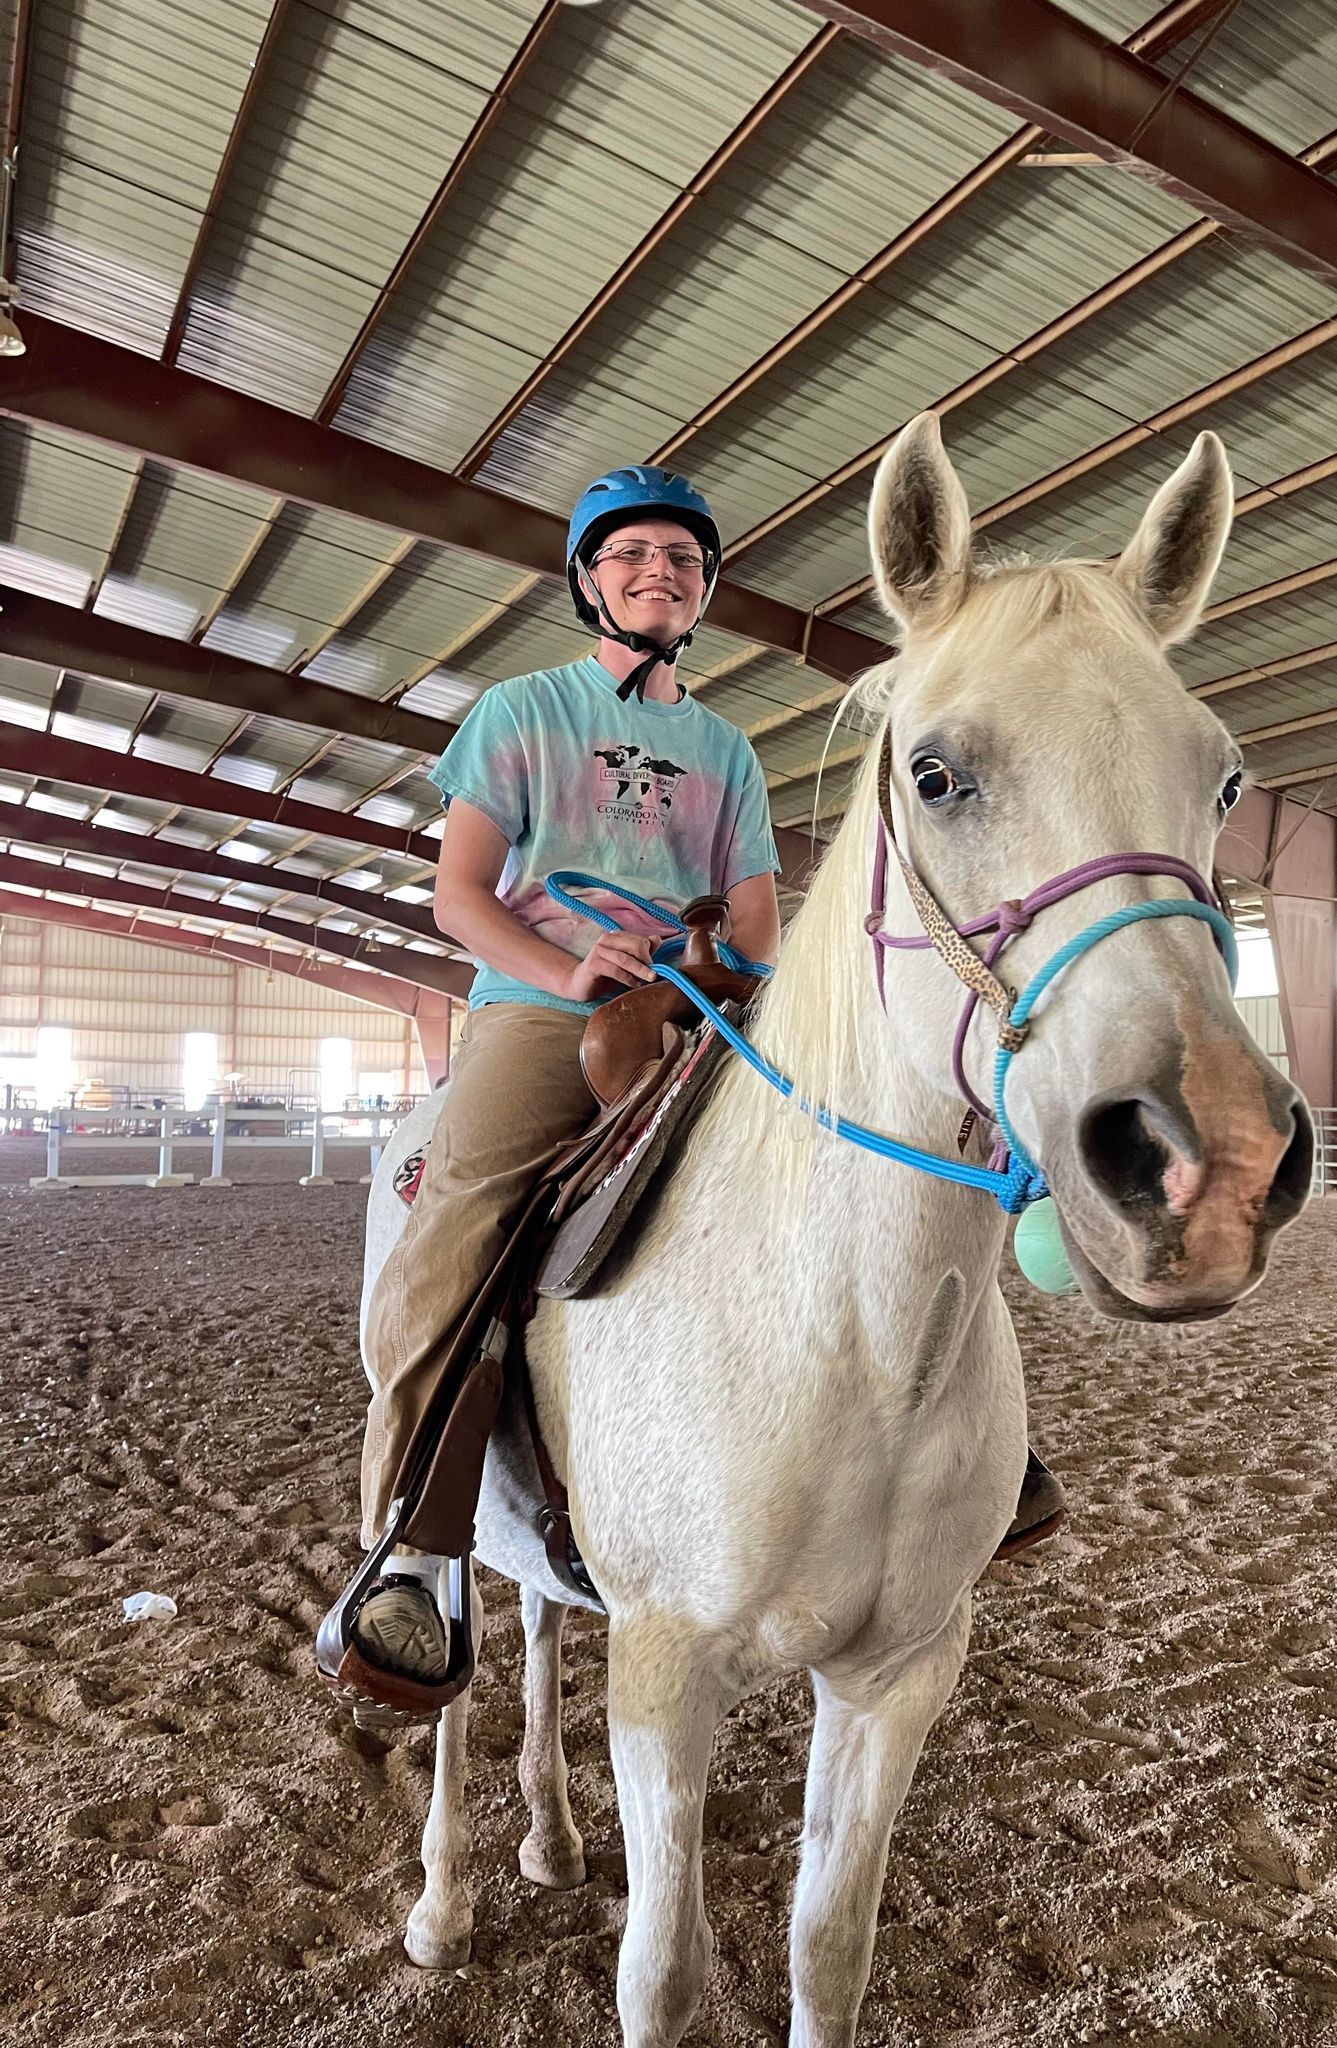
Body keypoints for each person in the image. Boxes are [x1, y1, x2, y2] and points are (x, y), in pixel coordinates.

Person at [339, 464, 1064, 1701]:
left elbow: (759, 918)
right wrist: (567, 967)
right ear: (590, 580)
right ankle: (408, 1539)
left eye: (680, 558)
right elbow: (459, 894)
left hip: (703, 1001)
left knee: (896, 1156)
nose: (657, 573)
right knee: (461, 1208)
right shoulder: (520, 712)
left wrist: (723, 973)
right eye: (631, 555)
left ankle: (973, 1456)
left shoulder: (723, 749)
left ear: (703, 588)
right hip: (544, 1007)